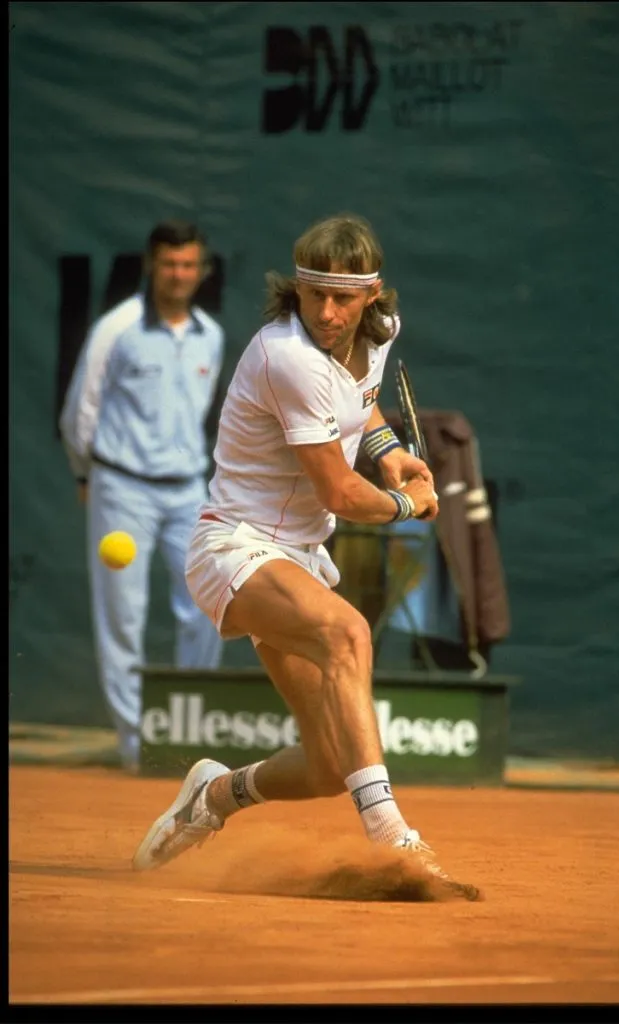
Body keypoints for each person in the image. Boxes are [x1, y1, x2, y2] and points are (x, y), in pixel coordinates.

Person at [132, 213, 479, 899]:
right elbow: (340, 494)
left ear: (372, 296)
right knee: (347, 630)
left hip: (298, 557)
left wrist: (390, 455)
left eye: (342, 298)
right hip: (234, 544)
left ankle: (215, 795)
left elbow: (363, 407)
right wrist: (408, 505)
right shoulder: (285, 355)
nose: (325, 311)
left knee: (328, 765)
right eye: (311, 293)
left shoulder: (377, 340)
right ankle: (393, 837)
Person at [59, 219, 225, 772]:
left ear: (200, 271)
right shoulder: (117, 328)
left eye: (189, 265)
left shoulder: (211, 334)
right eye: (170, 263)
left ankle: (191, 732)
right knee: (122, 616)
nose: (180, 274)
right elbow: (80, 412)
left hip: (187, 491)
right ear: (152, 266)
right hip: (120, 486)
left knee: (209, 604)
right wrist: (89, 476)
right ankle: (139, 748)